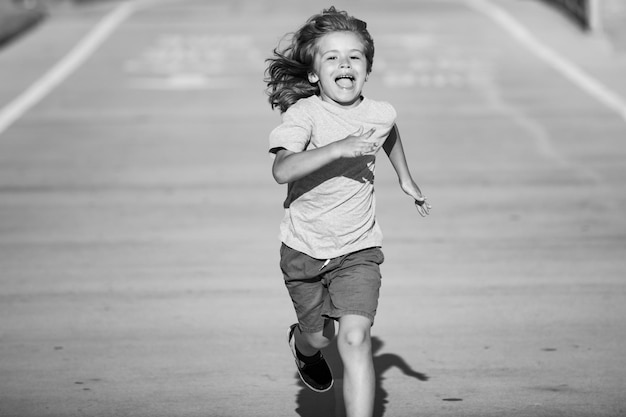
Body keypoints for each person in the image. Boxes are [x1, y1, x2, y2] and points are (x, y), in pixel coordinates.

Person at [265, 6, 431, 417]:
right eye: (332, 57)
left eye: (354, 57)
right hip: (304, 248)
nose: (344, 64)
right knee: (319, 338)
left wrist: (404, 177)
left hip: (359, 248)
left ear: (368, 69)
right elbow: (281, 169)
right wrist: (337, 148)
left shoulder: (378, 111)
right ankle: (301, 347)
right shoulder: (303, 115)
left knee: (355, 339)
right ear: (313, 74)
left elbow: (387, 130)